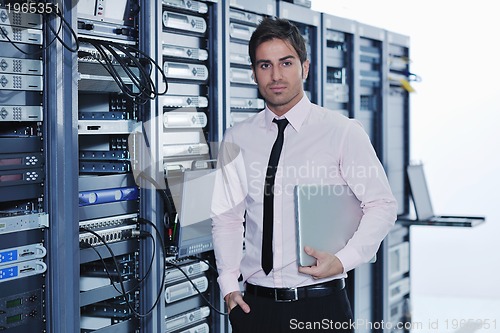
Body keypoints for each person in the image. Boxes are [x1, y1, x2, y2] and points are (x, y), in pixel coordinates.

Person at [211, 17, 397, 332]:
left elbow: (382, 204)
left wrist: (343, 259)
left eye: (286, 62)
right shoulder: (237, 137)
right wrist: (228, 284)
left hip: (320, 303)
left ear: (305, 68)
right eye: (265, 65)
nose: (276, 75)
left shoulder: (341, 132)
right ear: (254, 72)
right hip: (254, 307)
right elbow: (227, 217)